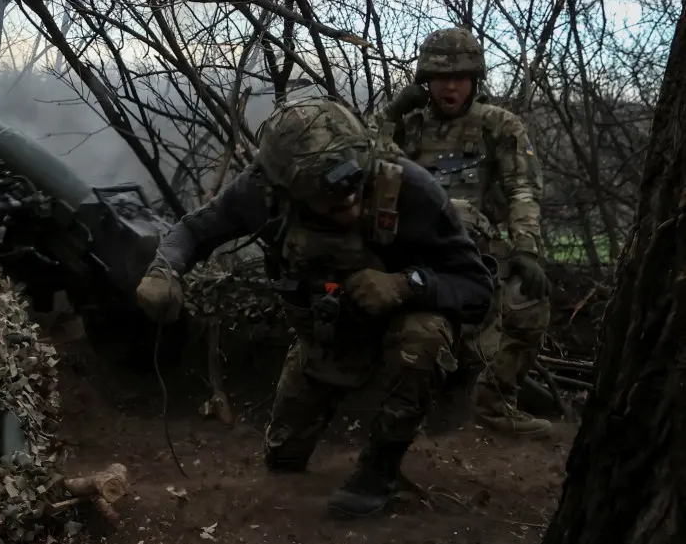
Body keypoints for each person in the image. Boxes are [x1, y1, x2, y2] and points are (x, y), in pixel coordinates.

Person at [134, 96, 494, 518]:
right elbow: (194, 231)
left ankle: (377, 472)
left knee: (424, 337)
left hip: (403, 326)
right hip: (328, 336)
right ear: (289, 191)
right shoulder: (262, 193)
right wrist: (163, 272)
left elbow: (477, 288)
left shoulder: (412, 190)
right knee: (282, 461)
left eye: (355, 191)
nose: (351, 205)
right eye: (332, 201)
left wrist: (405, 284)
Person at [377, 27, 553, 438]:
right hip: (413, 251)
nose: (450, 86)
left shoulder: (498, 125)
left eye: (460, 77)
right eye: (441, 77)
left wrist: (526, 247)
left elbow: (523, 188)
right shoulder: (408, 125)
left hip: (477, 252)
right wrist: (388, 116)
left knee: (530, 301)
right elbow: (364, 163)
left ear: (475, 79)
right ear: (426, 81)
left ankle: (495, 403)